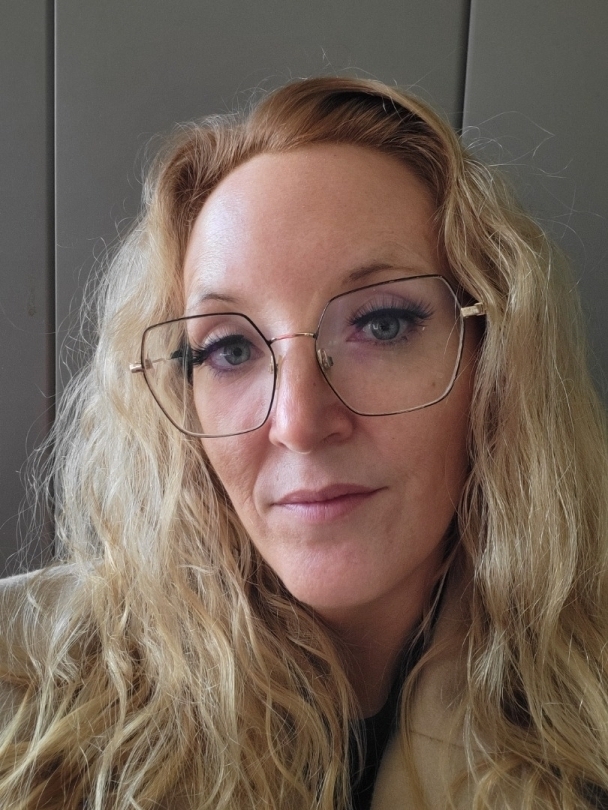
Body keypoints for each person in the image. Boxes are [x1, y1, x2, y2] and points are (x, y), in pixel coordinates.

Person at [1, 76, 607, 810]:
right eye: (228, 349)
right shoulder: (27, 692)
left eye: (382, 324)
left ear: (496, 359)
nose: (297, 422)